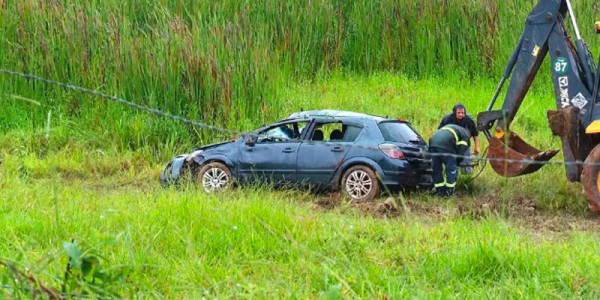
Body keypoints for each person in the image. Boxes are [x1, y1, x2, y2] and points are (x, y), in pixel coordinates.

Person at [429, 124, 471, 197]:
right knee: (451, 167)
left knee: (436, 168)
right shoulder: (465, 135)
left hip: (432, 143)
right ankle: (449, 191)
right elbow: (461, 153)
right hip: (445, 145)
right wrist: (457, 162)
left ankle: (440, 190)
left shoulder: (451, 127)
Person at [438, 103, 479, 174]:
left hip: (465, 144)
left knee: (466, 161)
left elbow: (475, 133)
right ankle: (453, 177)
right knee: (452, 162)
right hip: (451, 144)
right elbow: (440, 132)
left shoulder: (469, 120)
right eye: (458, 113)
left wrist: (476, 146)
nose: (460, 115)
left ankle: (466, 178)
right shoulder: (447, 119)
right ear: (454, 113)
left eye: (462, 113)